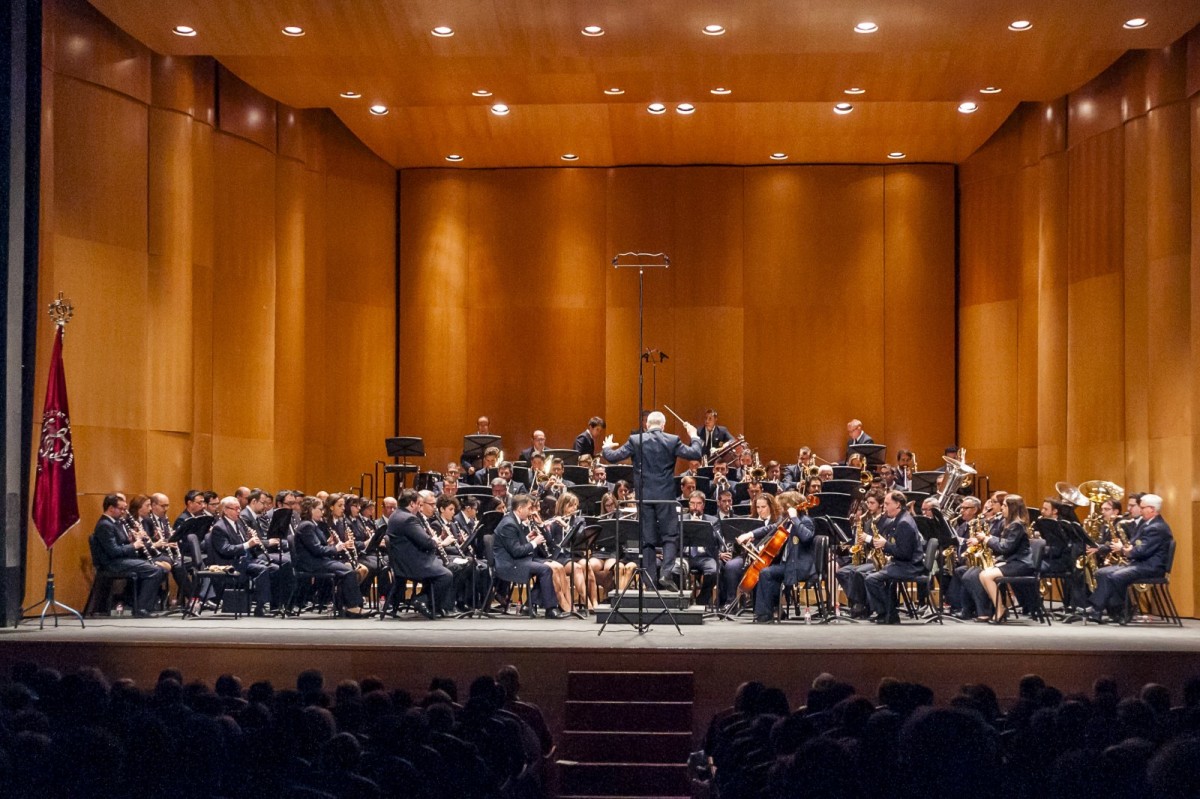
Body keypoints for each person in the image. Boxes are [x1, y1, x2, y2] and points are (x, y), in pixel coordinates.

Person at [601, 410, 702, 589]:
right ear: (663, 426)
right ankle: (666, 572)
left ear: (647, 425)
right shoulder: (672, 440)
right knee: (670, 536)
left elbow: (612, 458)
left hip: (645, 498)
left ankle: (649, 582)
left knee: (647, 539)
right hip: (666, 497)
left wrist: (607, 447)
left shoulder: (636, 440)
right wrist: (693, 435)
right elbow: (695, 453)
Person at [1085, 493, 1173, 623]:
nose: (1140, 510)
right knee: (1102, 572)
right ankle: (1111, 611)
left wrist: (1123, 550)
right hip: (1139, 563)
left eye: (1142, 507)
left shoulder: (1157, 528)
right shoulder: (1145, 523)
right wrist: (1127, 548)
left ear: (1152, 509)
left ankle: (1116, 610)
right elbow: (1134, 544)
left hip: (1151, 567)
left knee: (1116, 576)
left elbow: (1142, 551)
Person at [736, 492, 816, 622]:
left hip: (799, 566)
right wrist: (750, 534)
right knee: (766, 572)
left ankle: (764, 615)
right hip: (787, 564)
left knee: (766, 572)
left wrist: (795, 519)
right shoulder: (785, 520)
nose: (780, 510)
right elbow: (770, 528)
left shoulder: (806, 521)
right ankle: (767, 612)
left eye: (782, 507)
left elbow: (807, 537)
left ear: (790, 506)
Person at [209, 496, 287, 616]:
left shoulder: (239, 523)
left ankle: (275, 605)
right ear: (225, 510)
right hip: (232, 563)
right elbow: (225, 549)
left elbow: (244, 543)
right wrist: (247, 544)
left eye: (239, 508)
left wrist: (250, 539)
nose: (238, 511)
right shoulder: (219, 527)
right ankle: (260, 606)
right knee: (263, 570)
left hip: (246, 560)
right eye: (235, 509)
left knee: (275, 569)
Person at [90, 493, 165, 617]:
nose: (124, 512)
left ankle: (143, 605)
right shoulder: (105, 525)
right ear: (111, 508)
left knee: (158, 569)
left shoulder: (115, 522)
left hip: (121, 560)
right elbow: (113, 551)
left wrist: (134, 538)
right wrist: (134, 546)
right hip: (111, 563)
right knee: (153, 570)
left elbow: (121, 543)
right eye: (122, 509)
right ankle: (141, 609)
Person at [963, 494, 1032, 623]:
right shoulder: (1011, 524)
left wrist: (988, 538)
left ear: (1012, 508)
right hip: (1013, 561)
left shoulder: (1017, 525)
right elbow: (1007, 547)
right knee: (983, 574)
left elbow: (1006, 547)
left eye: (1005, 506)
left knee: (987, 576)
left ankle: (1000, 609)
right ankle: (999, 607)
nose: (1002, 509)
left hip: (1021, 563)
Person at [293, 496, 366, 616]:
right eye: (320, 509)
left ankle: (343, 604)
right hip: (311, 564)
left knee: (348, 569)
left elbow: (318, 545)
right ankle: (352, 607)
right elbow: (317, 550)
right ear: (311, 510)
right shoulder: (307, 526)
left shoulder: (312, 525)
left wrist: (329, 543)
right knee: (349, 572)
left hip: (317, 561)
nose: (322, 512)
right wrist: (336, 548)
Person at [386, 489, 454, 618]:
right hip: (411, 564)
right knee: (446, 575)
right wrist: (435, 541)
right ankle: (422, 600)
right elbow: (426, 543)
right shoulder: (408, 519)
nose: (419, 508)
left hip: (403, 561)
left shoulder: (396, 515)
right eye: (419, 504)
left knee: (441, 568)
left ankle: (430, 604)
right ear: (412, 504)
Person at [493, 495, 562, 618]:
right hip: (509, 564)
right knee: (545, 569)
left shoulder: (513, 520)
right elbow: (516, 551)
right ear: (520, 508)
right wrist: (534, 543)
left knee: (546, 566)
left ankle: (530, 605)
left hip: (516, 560)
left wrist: (526, 538)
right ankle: (550, 608)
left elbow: (514, 544)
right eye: (529, 508)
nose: (531, 511)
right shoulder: (508, 524)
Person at [863, 490, 925, 624]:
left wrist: (885, 545)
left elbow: (904, 553)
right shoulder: (901, 519)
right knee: (870, 574)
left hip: (910, 566)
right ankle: (886, 613)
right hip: (903, 564)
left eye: (887, 504)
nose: (884, 507)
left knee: (871, 579)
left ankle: (889, 614)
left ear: (897, 504)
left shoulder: (904, 523)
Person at [680, 491, 722, 605]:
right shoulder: (681, 519)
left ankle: (702, 599)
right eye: (692, 503)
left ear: (703, 505)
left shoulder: (713, 521)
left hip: (705, 556)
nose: (695, 507)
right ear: (688, 504)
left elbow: (717, 541)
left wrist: (703, 528)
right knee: (674, 569)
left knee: (713, 571)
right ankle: (683, 599)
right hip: (685, 556)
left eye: (698, 504)